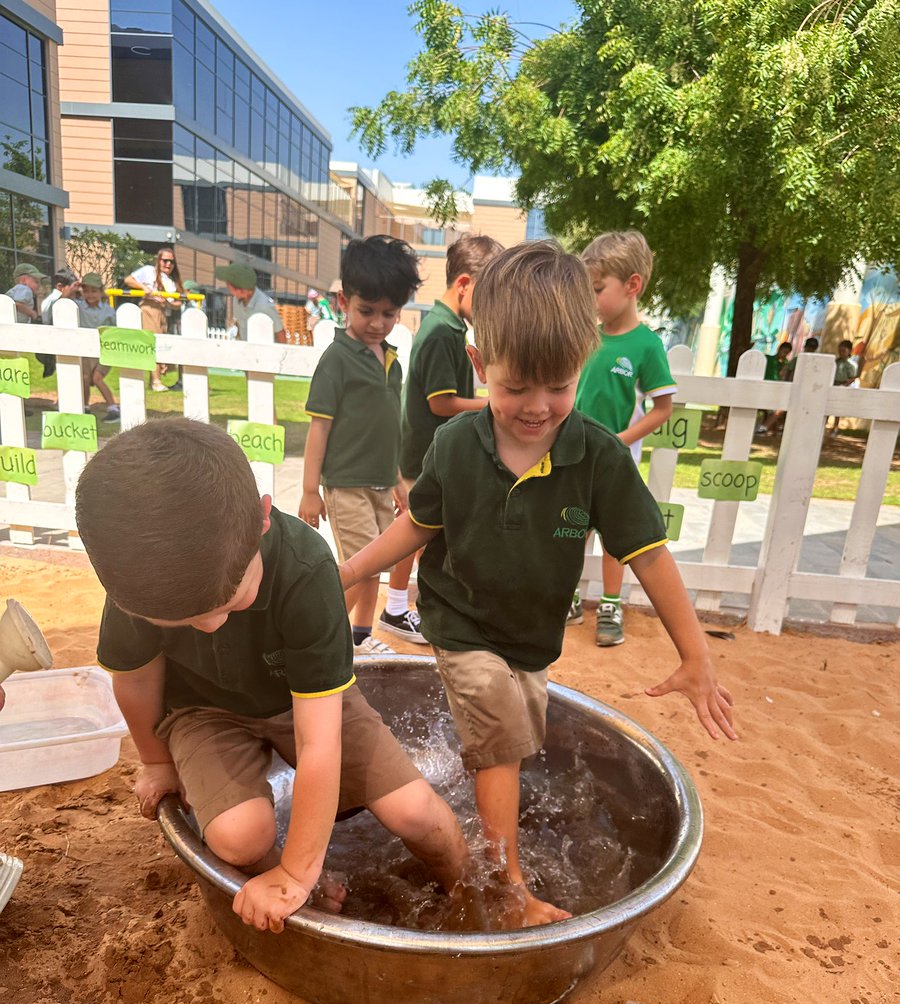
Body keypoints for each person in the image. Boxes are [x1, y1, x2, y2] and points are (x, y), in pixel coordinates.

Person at [338, 241, 736, 927]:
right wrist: (345, 571)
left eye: (558, 386)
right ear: (480, 364)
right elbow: (417, 529)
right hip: (459, 621)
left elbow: (649, 555)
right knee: (497, 720)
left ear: (581, 365)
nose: (536, 406)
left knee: (514, 738)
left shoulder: (599, 457)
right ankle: (509, 891)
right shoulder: (457, 445)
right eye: (515, 386)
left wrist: (695, 654)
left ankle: (474, 817)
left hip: (531, 638)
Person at [74, 418, 468, 934]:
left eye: (230, 602)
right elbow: (137, 680)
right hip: (203, 711)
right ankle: (301, 883)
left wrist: (295, 870)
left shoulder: (306, 571)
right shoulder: (143, 581)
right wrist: (157, 762)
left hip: (302, 700)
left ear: (263, 518)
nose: (212, 625)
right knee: (239, 837)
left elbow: (319, 741)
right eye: (186, 622)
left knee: (415, 812)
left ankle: (473, 893)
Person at [300, 236, 422, 655]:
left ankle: (360, 637)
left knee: (375, 567)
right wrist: (309, 491)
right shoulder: (336, 360)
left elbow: (390, 430)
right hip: (346, 484)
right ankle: (317, 639)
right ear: (343, 300)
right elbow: (319, 428)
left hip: (379, 484)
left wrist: (398, 480)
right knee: (357, 568)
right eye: (366, 311)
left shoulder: (391, 360)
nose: (377, 322)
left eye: (389, 313)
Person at [383, 234, 504, 644]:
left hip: (435, 455)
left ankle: (405, 604)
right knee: (415, 529)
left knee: (427, 530)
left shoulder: (451, 329)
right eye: (488, 296)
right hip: (421, 457)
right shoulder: (441, 332)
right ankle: (395, 608)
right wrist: (492, 403)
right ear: (465, 284)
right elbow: (441, 403)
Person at [573, 230, 678, 646]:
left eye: (597, 289)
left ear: (632, 285)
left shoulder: (647, 345)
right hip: (574, 454)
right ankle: (567, 597)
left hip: (615, 462)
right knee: (570, 527)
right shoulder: (584, 335)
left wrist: (620, 439)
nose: (591, 298)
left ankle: (611, 604)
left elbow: (663, 409)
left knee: (613, 535)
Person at [124, 248, 183, 392]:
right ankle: (156, 381)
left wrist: (168, 303)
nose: (168, 264)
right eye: (165, 261)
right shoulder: (148, 270)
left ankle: (154, 380)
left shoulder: (172, 282)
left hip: (164, 312)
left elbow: (178, 302)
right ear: (159, 260)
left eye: (171, 262)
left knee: (161, 345)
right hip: (149, 309)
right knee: (153, 344)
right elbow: (128, 280)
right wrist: (144, 287)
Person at [76, 273, 119, 421]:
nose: (90, 294)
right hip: (86, 350)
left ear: (101, 291)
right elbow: (61, 303)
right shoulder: (79, 306)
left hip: (104, 350)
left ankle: (113, 408)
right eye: (86, 291)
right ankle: (85, 407)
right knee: (85, 378)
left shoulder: (108, 311)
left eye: (94, 291)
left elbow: (115, 331)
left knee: (97, 377)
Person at [214, 264, 286, 344]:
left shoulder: (265, 306)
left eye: (228, 284)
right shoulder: (236, 300)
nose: (227, 286)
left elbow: (281, 333)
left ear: (240, 290)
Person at [36, 268, 80, 378]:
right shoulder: (53, 300)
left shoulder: (63, 300)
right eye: (74, 286)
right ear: (60, 287)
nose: (77, 289)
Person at [829, 339, 857, 437]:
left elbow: (852, 378)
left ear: (849, 351)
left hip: (843, 385)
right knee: (828, 405)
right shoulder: (835, 362)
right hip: (833, 384)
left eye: (843, 351)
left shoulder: (851, 365)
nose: (841, 353)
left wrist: (843, 386)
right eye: (839, 351)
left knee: (837, 408)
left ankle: (835, 427)